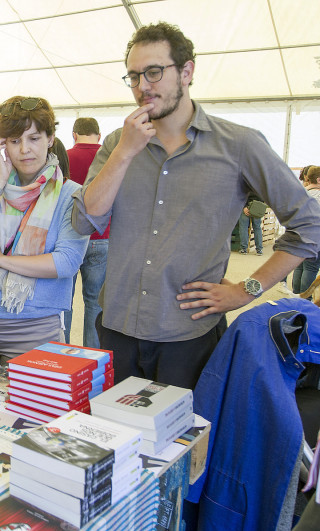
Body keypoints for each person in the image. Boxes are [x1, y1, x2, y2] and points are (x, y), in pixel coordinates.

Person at [71, 22, 320, 389]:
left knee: (184, 442)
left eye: (154, 72)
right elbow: (82, 221)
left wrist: (246, 290)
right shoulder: (116, 143)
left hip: (188, 334)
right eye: (134, 76)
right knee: (114, 437)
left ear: (187, 71)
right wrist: (124, 153)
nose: (143, 86)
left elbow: (309, 225)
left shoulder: (238, 145)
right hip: (116, 326)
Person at [0, 96, 88, 364]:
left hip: (33, 326)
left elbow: (66, 262)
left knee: (31, 404)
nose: (24, 149)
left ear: (50, 139)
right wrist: (0, 180)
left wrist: (1, 260)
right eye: (14, 141)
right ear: (2, 145)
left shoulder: (71, 195)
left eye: (34, 138)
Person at [63, 117, 105, 348]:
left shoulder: (65, 158)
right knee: (95, 303)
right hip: (103, 235)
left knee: (63, 301)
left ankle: (61, 354)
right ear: (99, 136)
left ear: (74, 134)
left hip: (70, 236)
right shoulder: (110, 158)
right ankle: (93, 359)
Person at [292, 166, 320, 293]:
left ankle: (296, 295)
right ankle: (305, 298)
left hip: (298, 234)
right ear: (318, 180)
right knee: (311, 268)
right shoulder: (318, 195)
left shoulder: (301, 193)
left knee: (299, 266)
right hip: (314, 236)